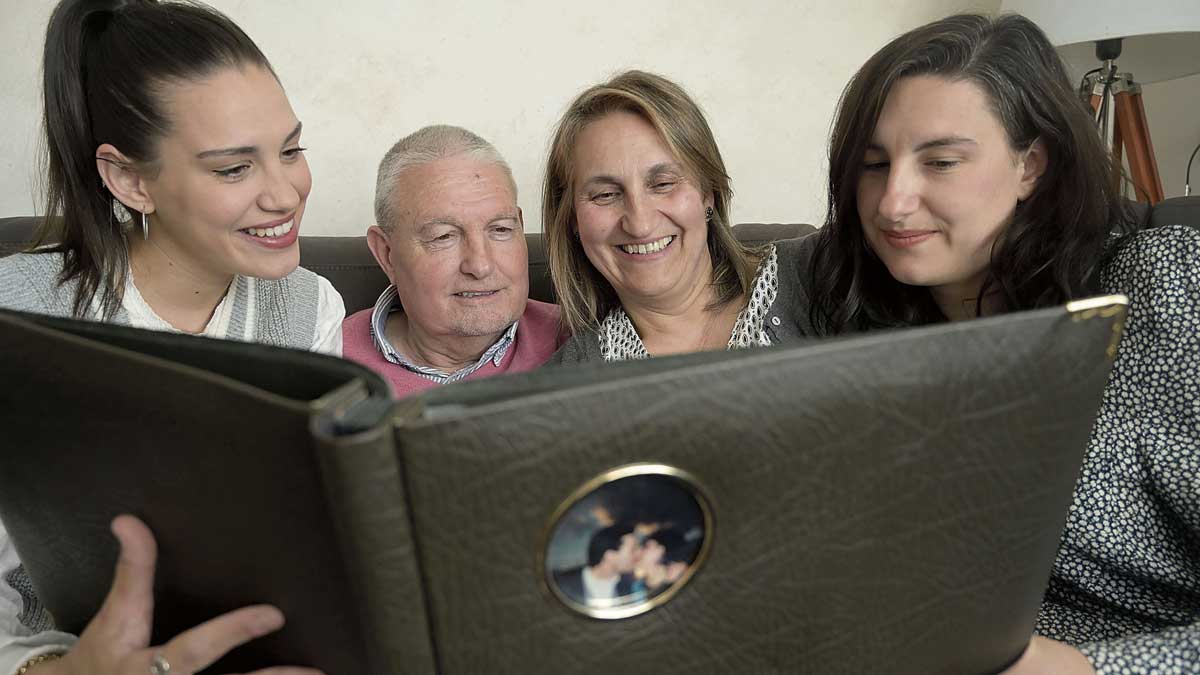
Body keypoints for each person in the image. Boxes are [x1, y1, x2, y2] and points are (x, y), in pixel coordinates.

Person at [804, 13, 1198, 674]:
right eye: (874, 164)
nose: (893, 202)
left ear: (1029, 165)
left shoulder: (1160, 287)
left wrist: (1089, 669)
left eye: (941, 161)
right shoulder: (866, 326)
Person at [0, 1, 342, 672]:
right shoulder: (15, 314)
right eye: (233, 168)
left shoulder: (310, 309)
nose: (286, 193)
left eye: (292, 149)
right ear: (130, 180)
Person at [544, 70, 813, 364]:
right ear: (571, 219)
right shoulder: (565, 379)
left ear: (708, 192)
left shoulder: (817, 274)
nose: (640, 224)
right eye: (605, 195)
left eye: (663, 184)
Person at [342, 125, 562, 397]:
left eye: (501, 229)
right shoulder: (324, 355)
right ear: (387, 254)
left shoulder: (585, 343)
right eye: (444, 236)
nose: (480, 266)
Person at [553, 525, 641, 606]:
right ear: (610, 555)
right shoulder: (561, 585)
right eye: (633, 549)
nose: (639, 553)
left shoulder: (633, 587)